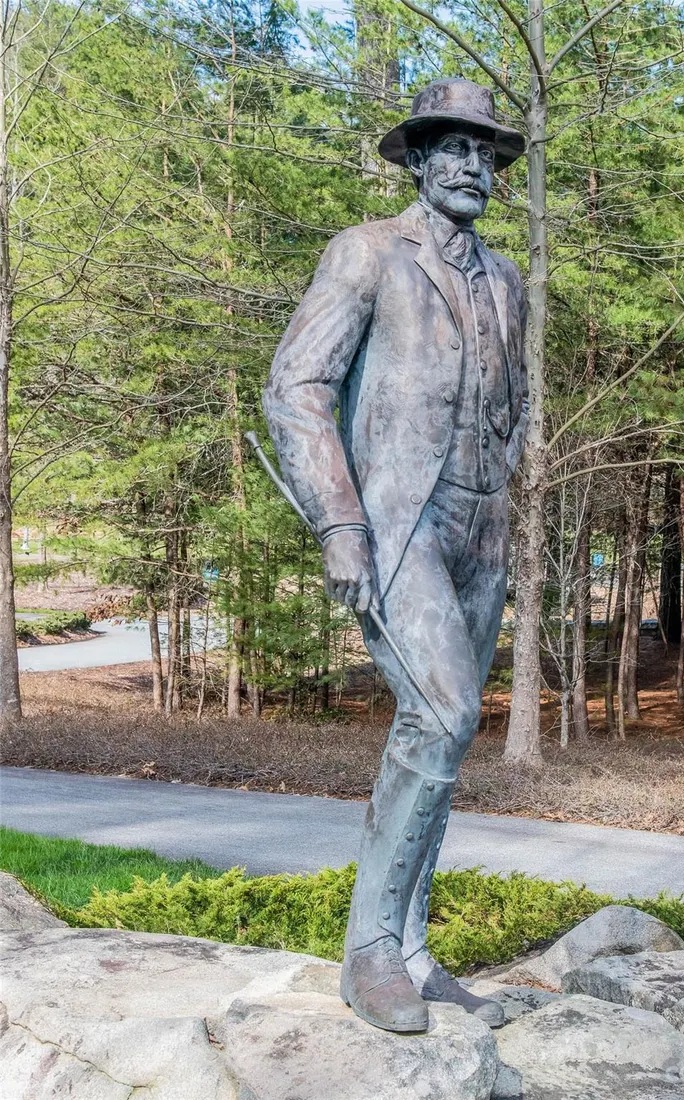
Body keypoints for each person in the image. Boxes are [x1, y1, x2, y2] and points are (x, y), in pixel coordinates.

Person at [264, 78, 528, 1033]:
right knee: (441, 709)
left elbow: (510, 398)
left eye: (484, 154)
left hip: (482, 525)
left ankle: (412, 950)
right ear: (416, 160)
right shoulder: (367, 252)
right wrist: (340, 522)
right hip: (397, 521)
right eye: (451, 148)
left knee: (448, 733)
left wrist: (506, 481)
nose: (471, 167)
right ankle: (370, 952)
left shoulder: (507, 278)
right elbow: (296, 389)